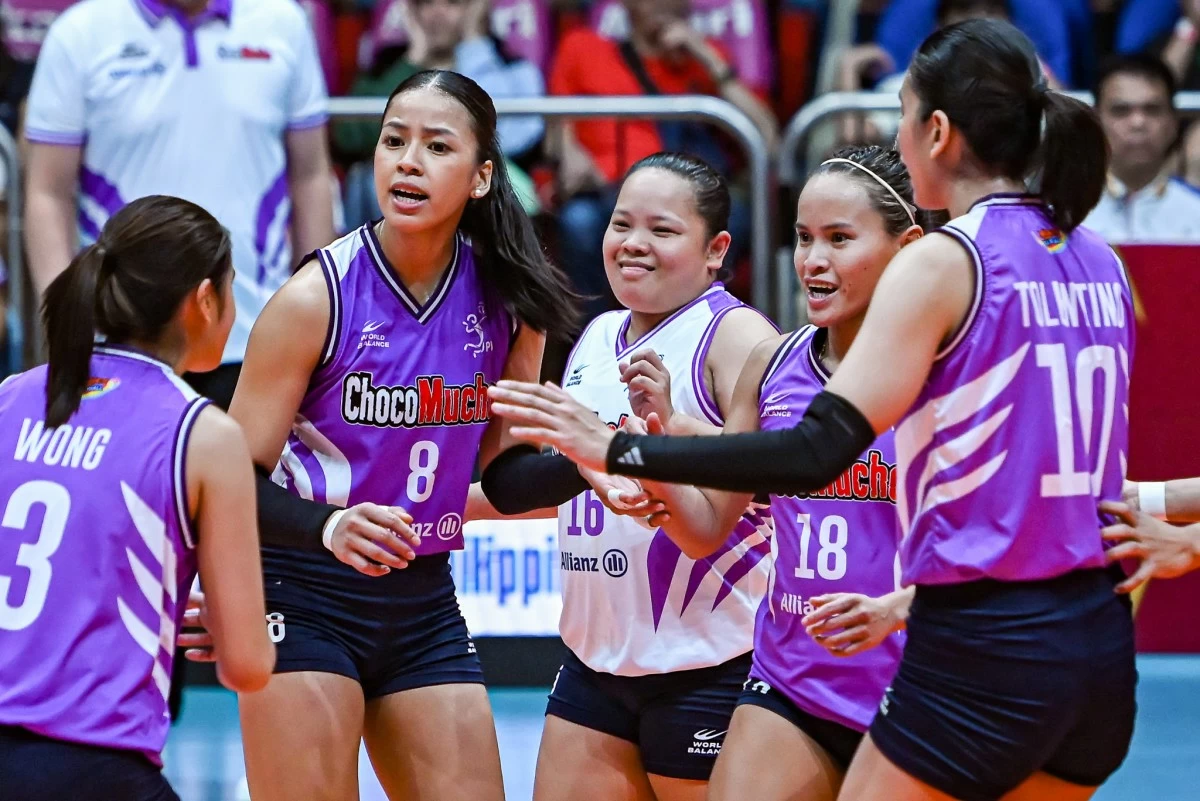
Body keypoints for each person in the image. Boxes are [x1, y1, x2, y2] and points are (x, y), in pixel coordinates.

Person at [490, 18, 1137, 801]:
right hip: (1094, 642)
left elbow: (814, 448)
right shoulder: (1098, 259)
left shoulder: (948, 259)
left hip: (981, 638)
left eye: (901, 115)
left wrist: (620, 449)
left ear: (936, 131)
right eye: (805, 238)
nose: (897, 136)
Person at [225, 70, 578, 801]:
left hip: (424, 603)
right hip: (304, 592)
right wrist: (328, 527)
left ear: (482, 177)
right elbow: (228, 479)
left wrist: (603, 461)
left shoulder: (512, 303)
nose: (407, 160)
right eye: (394, 141)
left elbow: (506, 477)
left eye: (435, 146)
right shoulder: (314, 297)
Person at [622, 146, 933, 801]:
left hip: (922, 685)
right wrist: (659, 447)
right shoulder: (773, 364)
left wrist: (901, 607)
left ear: (908, 247)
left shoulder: (949, 379)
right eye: (803, 238)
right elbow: (710, 522)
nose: (812, 261)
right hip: (794, 681)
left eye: (839, 239)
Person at [477, 151, 778, 801]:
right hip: (594, 665)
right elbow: (572, 490)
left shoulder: (736, 336)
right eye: (621, 224)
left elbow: (712, 523)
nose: (633, 244)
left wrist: (638, 446)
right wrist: (432, 514)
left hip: (708, 664)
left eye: (662, 230)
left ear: (715, 248)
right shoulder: (596, 335)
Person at [0, 195, 275, 801]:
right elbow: (248, 666)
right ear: (205, 301)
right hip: (91, 766)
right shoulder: (203, 433)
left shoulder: (12, 396)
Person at [23, 0, 335, 407]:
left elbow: (310, 176)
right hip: (120, 341)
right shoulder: (80, 33)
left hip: (259, 334)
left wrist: (317, 317)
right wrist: (67, 329)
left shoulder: (284, 23)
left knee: (246, 473)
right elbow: (47, 192)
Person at [1083, 54, 1200, 243]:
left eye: (1152, 110)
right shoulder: (1063, 213)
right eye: (1121, 110)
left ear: (1173, 122)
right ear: (1095, 122)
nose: (1138, 123)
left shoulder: (1196, 212)